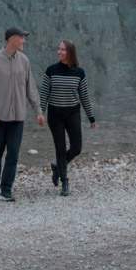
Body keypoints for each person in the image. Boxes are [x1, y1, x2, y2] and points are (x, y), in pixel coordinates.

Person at [0, 27, 44, 201]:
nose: (24, 41)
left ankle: (6, 190)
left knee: (13, 154)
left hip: (18, 118)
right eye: (22, 38)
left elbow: (31, 88)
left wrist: (38, 111)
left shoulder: (24, 61)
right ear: (12, 39)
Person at [40, 39, 96, 196]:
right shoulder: (51, 70)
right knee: (60, 148)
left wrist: (91, 117)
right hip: (55, 114)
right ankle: (65, 181)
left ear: (70, 52)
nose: (60, 52)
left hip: (73, 113)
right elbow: (44, 93)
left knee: (77, 147)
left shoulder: (79, 72)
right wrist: (41, 112)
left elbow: (84, 96)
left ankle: (57, 166)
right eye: (59, 49)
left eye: (63, 50)